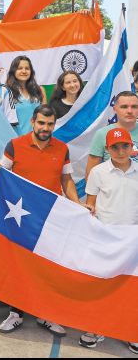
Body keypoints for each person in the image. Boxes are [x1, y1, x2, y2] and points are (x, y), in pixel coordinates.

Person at [0, 104, 81, 336]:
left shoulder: (63, 148)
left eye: (50, 124)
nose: (45, 128)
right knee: (21, 267)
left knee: (47, 267)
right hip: (21, 218)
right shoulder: (14, 145)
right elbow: (3, 176)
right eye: (41, 123)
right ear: (33, 122)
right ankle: (16, 313)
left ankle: (46, 314)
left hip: (50, 219)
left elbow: (67, 181)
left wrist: (77, 206)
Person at [78, 128, 138, 354]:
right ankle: (95, 327)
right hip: (105, 239)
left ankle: (132, 331)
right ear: (107, 149)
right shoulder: (98, 172)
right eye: (115, 147)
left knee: (132, 288)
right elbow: (91, 204)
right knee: (101, 284)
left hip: (133, 241)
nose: (121, 151)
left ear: (132, 147)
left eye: (125, 146)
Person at [86, 91, 138, 180]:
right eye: (124, 107)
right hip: (111, 191)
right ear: (115, 109)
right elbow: (91, 172)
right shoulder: (102, 134)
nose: (129, 111)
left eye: (134, 107)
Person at [6, 56, 46, 136]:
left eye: (27, 68)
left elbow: (45, 117)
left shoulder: (40, 90)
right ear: (13, 71)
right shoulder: (7, 91)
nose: (24, 71)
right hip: (16, 140)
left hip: (38, 139)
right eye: (19, 68)